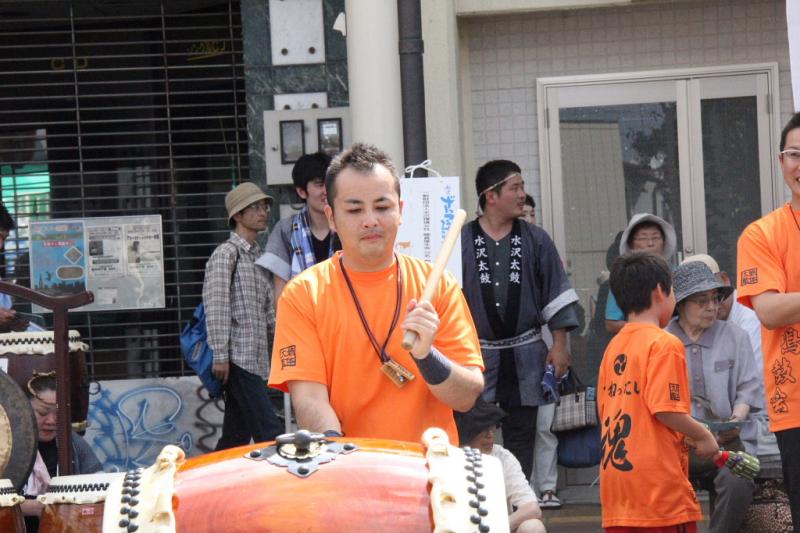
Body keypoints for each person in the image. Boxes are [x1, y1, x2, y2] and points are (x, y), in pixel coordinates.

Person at [268, 143, 484, 443]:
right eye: (355, 209)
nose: (370, 220)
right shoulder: (304, 294)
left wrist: (427, 355)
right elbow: (310, 401)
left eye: (382, 207)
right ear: (331, 217)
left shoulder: (437, 286)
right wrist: (341, 457)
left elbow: (466, 397)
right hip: (349, 470)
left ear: (400, 211)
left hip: (427, 472)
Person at [461, 159, 579, 480]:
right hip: (476, 357)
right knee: (471, 435)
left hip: (526, 355)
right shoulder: (461, 240)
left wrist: (559, 345)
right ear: (491, 196)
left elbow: (556, 291)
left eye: (522, 187)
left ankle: (518, 502)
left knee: (521, 437)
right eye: (515, 188)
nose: (523, 195)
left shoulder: (536, 239)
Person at [598, 252, 718, 532]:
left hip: (617, 491)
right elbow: (666, 408)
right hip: (658, 491)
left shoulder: (613, 348)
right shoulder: (665, 343)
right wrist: (703, 435)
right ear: (660, 292)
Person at [737, 111, 800, 530]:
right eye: (795, 154)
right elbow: (769, 310)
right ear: (781, 162)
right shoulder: (761, 234)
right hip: (797, 402)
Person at [665, 261, 761, 533]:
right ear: (681, 304)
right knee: (662, 483)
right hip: (677, 445)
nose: (712, 306)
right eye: (701, 300)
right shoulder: (662, 340)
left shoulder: (735, 336)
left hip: (726, 441)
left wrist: (736, 419)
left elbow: (748, 388)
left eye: (715, 299)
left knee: (739, 479)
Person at [203, 182, 283, 450]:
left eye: (264, 207)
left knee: (235, 437)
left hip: (254, 358)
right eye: (255, 208)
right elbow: (216, 305)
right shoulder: (226, 253)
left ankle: (211, 484)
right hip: (236, 358)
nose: (263, 213)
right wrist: (220, 355)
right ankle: (284, 482)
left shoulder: (258, 257)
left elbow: (267, 310)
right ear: (237, 215)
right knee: (269, 431)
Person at [21, 372, 102, 533]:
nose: (51, 420)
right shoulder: (7, 444)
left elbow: (98, 482)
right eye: (43, 413)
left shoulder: (71, 442)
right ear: (22, 409)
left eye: (58, 414)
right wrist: (31, 507)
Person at [256, 152, 341, 302]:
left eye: (329, 184)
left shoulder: (347, 225)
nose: (326, 191)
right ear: (301, 191)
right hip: (302, 315)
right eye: (320, 184)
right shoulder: (285, 230)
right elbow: (281, 290)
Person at [454, 399, 546, 533]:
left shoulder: (501, 456)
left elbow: (532, 508)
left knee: (533, 527)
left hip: (499, 529)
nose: (490, 435)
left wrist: (496, 528)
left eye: (492, 427)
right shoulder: (450, 457)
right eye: (482, 429)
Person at [605, 213, 677, 334]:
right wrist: (650, 331)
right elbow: (611, 323)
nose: (650, 243)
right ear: (631, 244)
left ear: (664, 242)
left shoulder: (677, 273)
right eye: (643, 238)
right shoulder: (623, 277)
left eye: (656, 237)